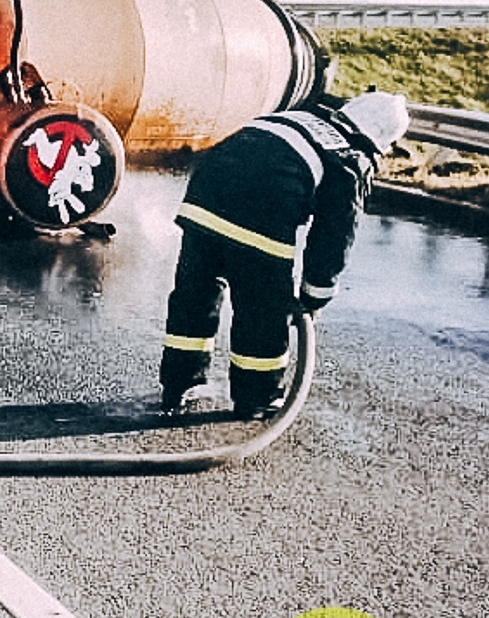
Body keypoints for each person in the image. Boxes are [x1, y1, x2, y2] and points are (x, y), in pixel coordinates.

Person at [159, 90, 411, 419]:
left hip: (202, 200)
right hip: (258, 218)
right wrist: (313, 297)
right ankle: (258, 397)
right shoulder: (349, 159)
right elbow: (333, 237)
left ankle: (180, 385)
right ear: (380, 138)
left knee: (195, 297)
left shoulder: (298, 117)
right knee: (262, 312)